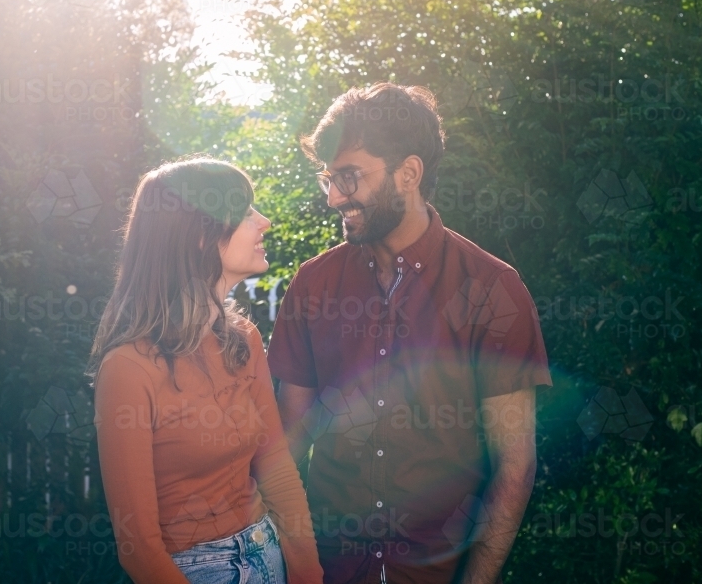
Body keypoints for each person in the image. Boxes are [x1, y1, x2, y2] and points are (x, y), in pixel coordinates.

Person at [268, 84, 552, 584]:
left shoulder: (492, 289)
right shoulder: (313, 284)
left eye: (349, 177)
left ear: (409, 173)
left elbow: (514, 467)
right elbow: (288, 444)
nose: (334, 197)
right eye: (328, 179)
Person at [90, 157, 323, 584]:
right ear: (201, 235)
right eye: (247, 212)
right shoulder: (128, 369)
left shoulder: (245, 341)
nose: (264, 222)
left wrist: (309, 573)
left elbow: (274, 463)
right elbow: (139, 550)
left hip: (268, 552)